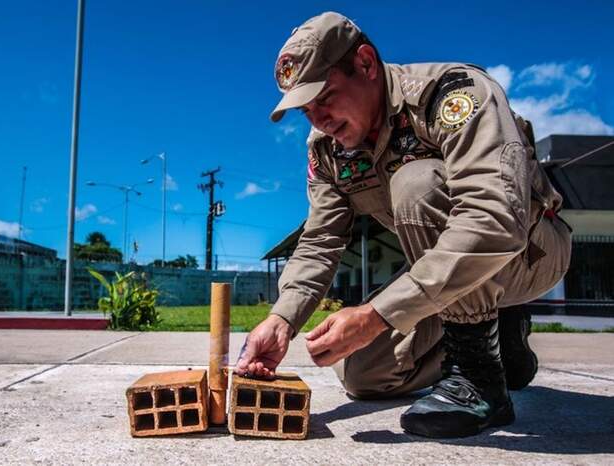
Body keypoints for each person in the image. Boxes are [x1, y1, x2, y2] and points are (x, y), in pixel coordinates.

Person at [235, 11, 572, 438]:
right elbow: (321, 240)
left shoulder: (450, 94)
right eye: (306, 110)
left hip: (530, 252)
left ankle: (478, 380)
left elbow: (493, 220)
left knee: (416, 183)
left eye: (325, 97)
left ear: (366, 64)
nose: (318, 119)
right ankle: (502, 344)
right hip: (447, 270)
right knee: (364, 375)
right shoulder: (328, 149)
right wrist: (281, 320)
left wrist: (376, 315)